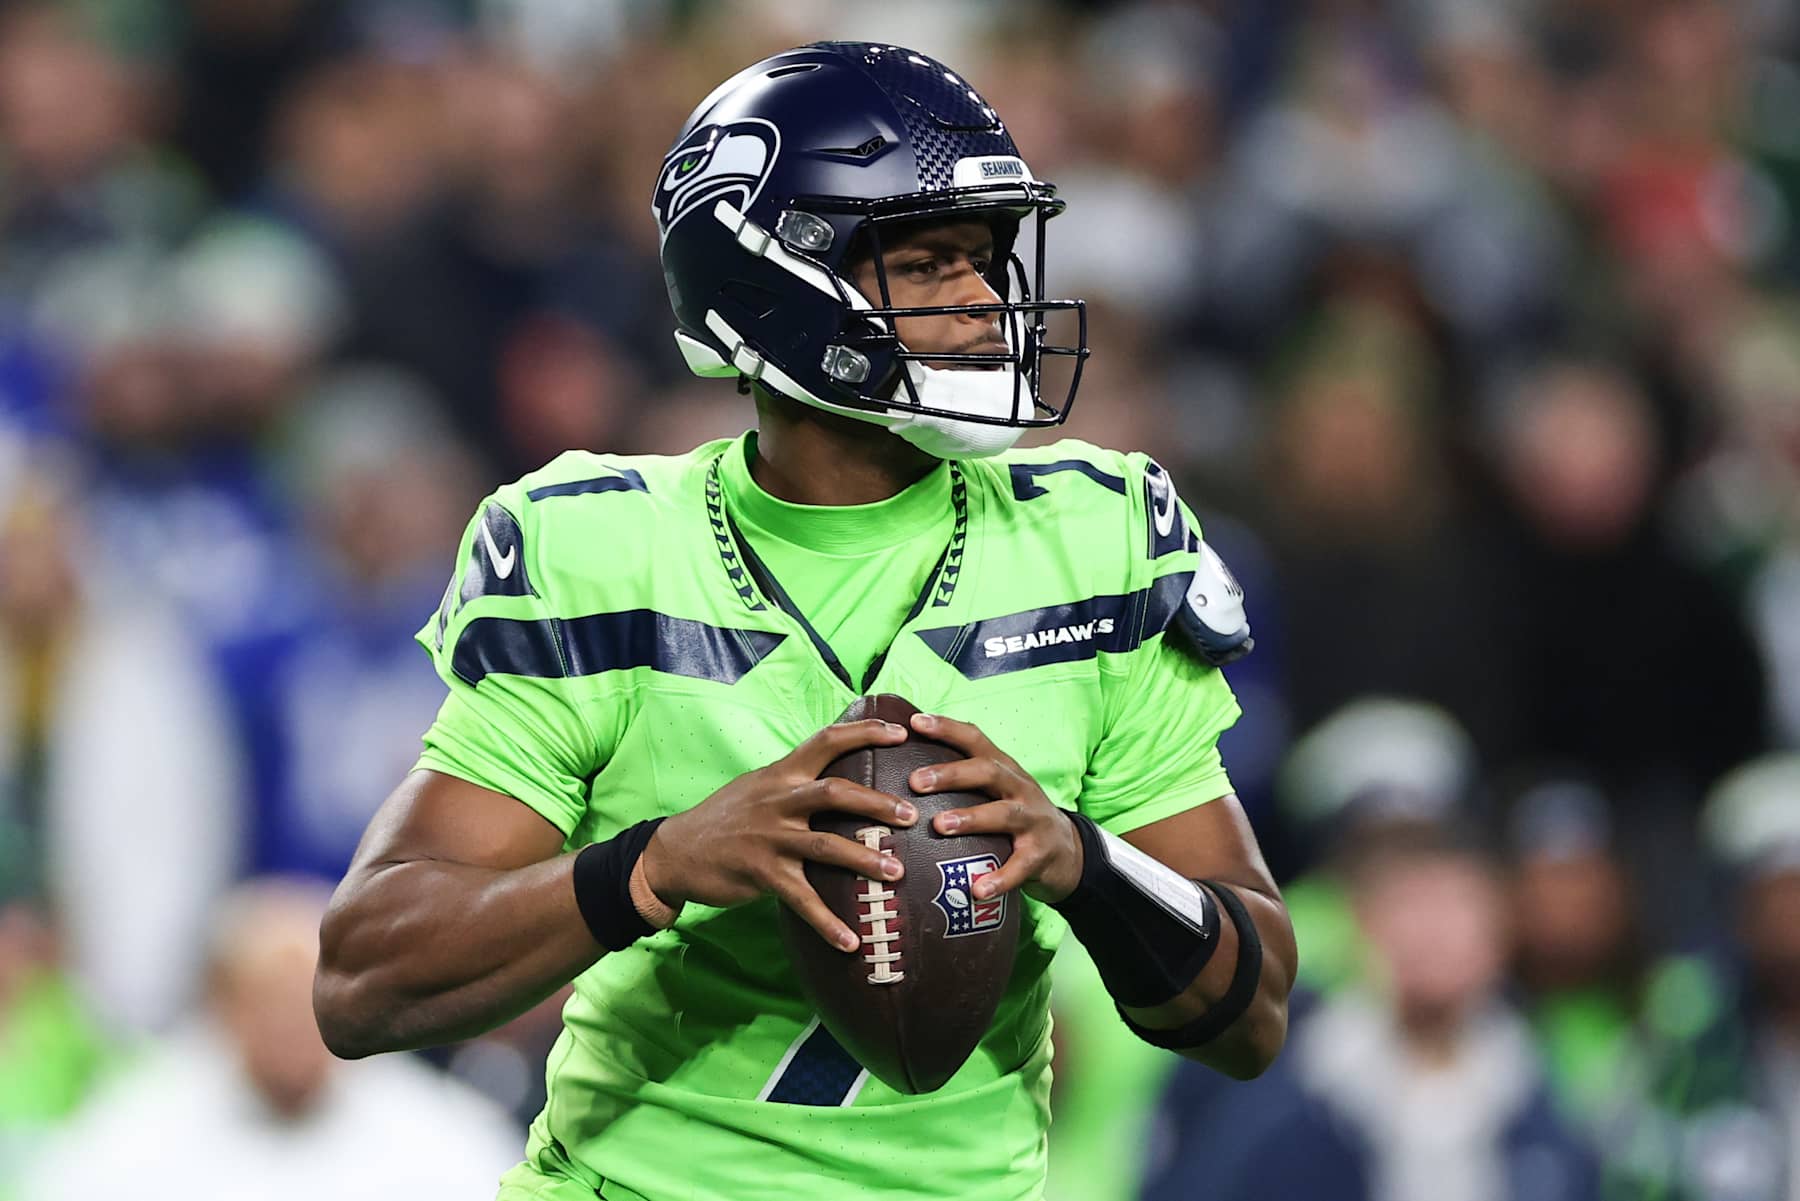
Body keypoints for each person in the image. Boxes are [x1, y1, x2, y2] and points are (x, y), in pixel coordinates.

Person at [314, 42, 1296, 1201]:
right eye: (929, 264)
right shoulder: (605, 552)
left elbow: (1256, 1010)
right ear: (772, 281)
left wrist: (1082, 862)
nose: (988, 304)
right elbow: (364, 978)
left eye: (987, 261)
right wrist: (656, 864)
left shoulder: (1093, 537)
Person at [16, 878, 521, 1201]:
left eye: (311, 1004)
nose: (293, 1027)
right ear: (224, 1007)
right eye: (270, 1001)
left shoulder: (442, 1138)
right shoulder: (126, 1136)